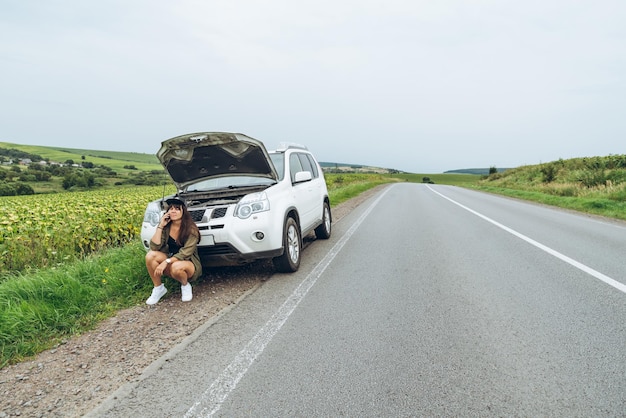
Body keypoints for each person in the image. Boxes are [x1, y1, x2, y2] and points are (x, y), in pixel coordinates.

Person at [145, 197, 202, 305]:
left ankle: (185, 285)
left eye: (177, 208)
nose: (173, 211)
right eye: (170, 209)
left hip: (188, 263)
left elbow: (186, 253)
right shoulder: (166, 227)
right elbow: (155, 247)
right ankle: (158, 288)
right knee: (150, 256)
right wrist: (161, 226)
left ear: (183, 211)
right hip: (171, 260)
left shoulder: (191, 229)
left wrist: (165, 262)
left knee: (177, 267)